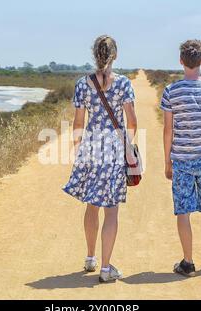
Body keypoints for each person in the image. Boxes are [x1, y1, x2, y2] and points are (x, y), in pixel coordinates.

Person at [62, 35, 138, 283]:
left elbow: (78, 123)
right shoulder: (124, 83)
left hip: (90, 148)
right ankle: (106, 269)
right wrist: (128, 146)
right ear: (114, 55)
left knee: (91, 205)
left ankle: (90, 258)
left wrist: (78, 149)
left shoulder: (83, 84)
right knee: (111, 211)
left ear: (95, 54)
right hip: (114, 150)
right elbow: (132, 122)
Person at [161, 39, 201, 277]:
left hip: (182, 161)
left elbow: (168, 130)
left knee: (183, 212)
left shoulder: (171, 91)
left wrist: (167, 161)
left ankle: (187, 263)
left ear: (181, 61)